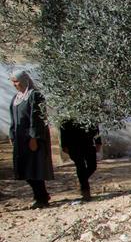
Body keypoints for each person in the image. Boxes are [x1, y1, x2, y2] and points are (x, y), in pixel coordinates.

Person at [8, 69, 54, 208]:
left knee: (34, 169)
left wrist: (34, 137)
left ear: (24, 80)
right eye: (13, 82)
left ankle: (41, 198)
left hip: (32, 139)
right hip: (20, 139)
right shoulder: (16, 98)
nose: (15, 84)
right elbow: (13, 119)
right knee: (23, 169)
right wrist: (12, 135)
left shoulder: (35, 96)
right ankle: (42, 195)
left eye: (17, 81)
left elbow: (37, 118)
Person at [59, 118, 101, 201]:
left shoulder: (88, 112)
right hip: (73, 144)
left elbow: (95, 126)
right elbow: (62, 126)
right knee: (80, 166)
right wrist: (64, 145)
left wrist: (98, 141)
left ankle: (82, 181)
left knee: (92, 166)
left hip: (88, 143)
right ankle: (85, 191)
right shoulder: (67, 114)